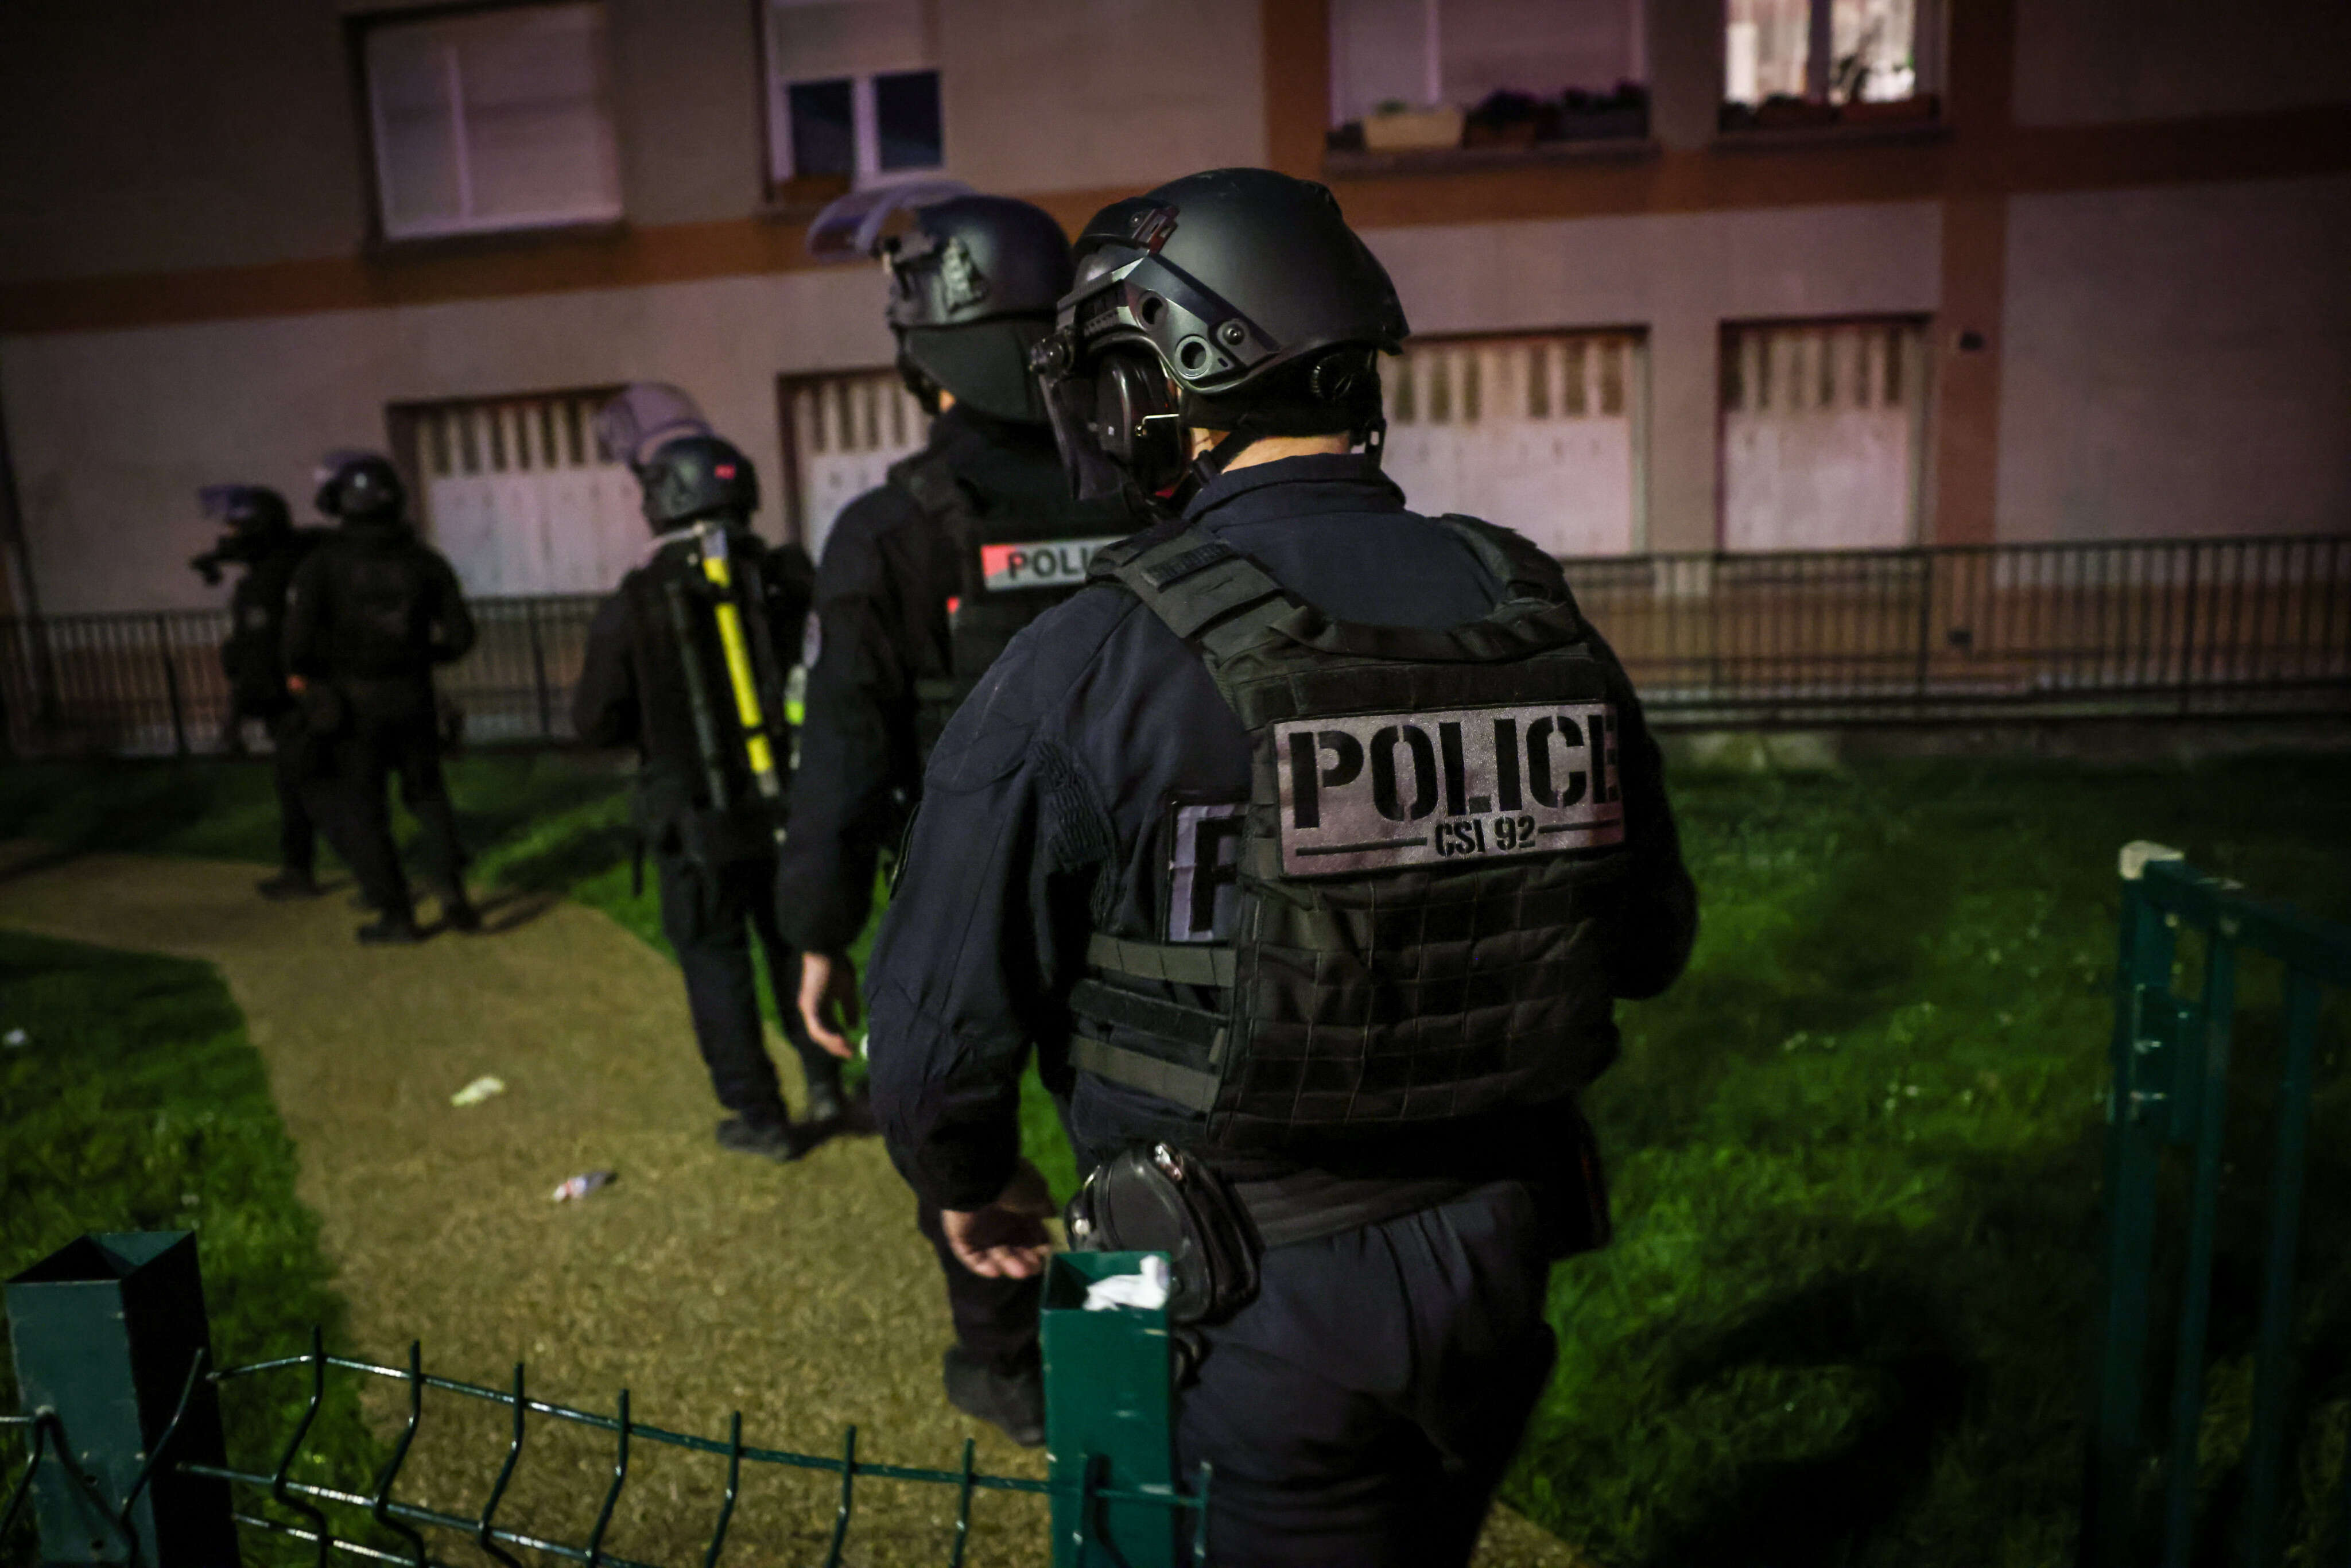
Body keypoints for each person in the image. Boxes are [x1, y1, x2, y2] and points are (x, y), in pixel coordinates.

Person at [863, 168, 1699, 1563]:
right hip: (1499, 1257)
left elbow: (933, 1039)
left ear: (1157, 382)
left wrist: (966, 1179)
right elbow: (1652, 940)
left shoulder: (1085, 667)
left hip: (1223, 1298)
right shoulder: (1530, 611)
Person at [777, 192, 1140, 1443]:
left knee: (955, 1130)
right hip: (1144, 899)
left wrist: (817, 932)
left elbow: (840, 750)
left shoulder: (889, 531)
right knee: (1134, 1139)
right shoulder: (1153, 497)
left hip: (965, 904)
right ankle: (1141, 1364)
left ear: (916, 356)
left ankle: (1004, 1363)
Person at [573, 426, 845, 1157]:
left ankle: (761, 1117)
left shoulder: (635, 602)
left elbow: (594, 721)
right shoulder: (787, 577)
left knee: (716, 966)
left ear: (659, 504)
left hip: (695, 828)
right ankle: (827, 1079)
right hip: (789, 812)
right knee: (794, 946)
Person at [282, 451, 480, 944]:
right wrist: (415, 656)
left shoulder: (321, 566)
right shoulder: (427, 564)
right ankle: (453, 894)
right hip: (414, 698)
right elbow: (460, 637)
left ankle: (398, 916)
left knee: (367, 811)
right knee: (428, 798)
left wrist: (315, 680)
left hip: (352, 709)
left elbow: (296, 648)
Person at [193, 484, 330, 899]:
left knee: (311, 789)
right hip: (290, 701)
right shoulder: (277, 567)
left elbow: (264, 651)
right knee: (301, 787)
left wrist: (245, 707)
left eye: (237, 525)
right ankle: (302, 868)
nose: (229, 533)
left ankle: (313, 871)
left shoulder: (273, 578)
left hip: (292, 702)